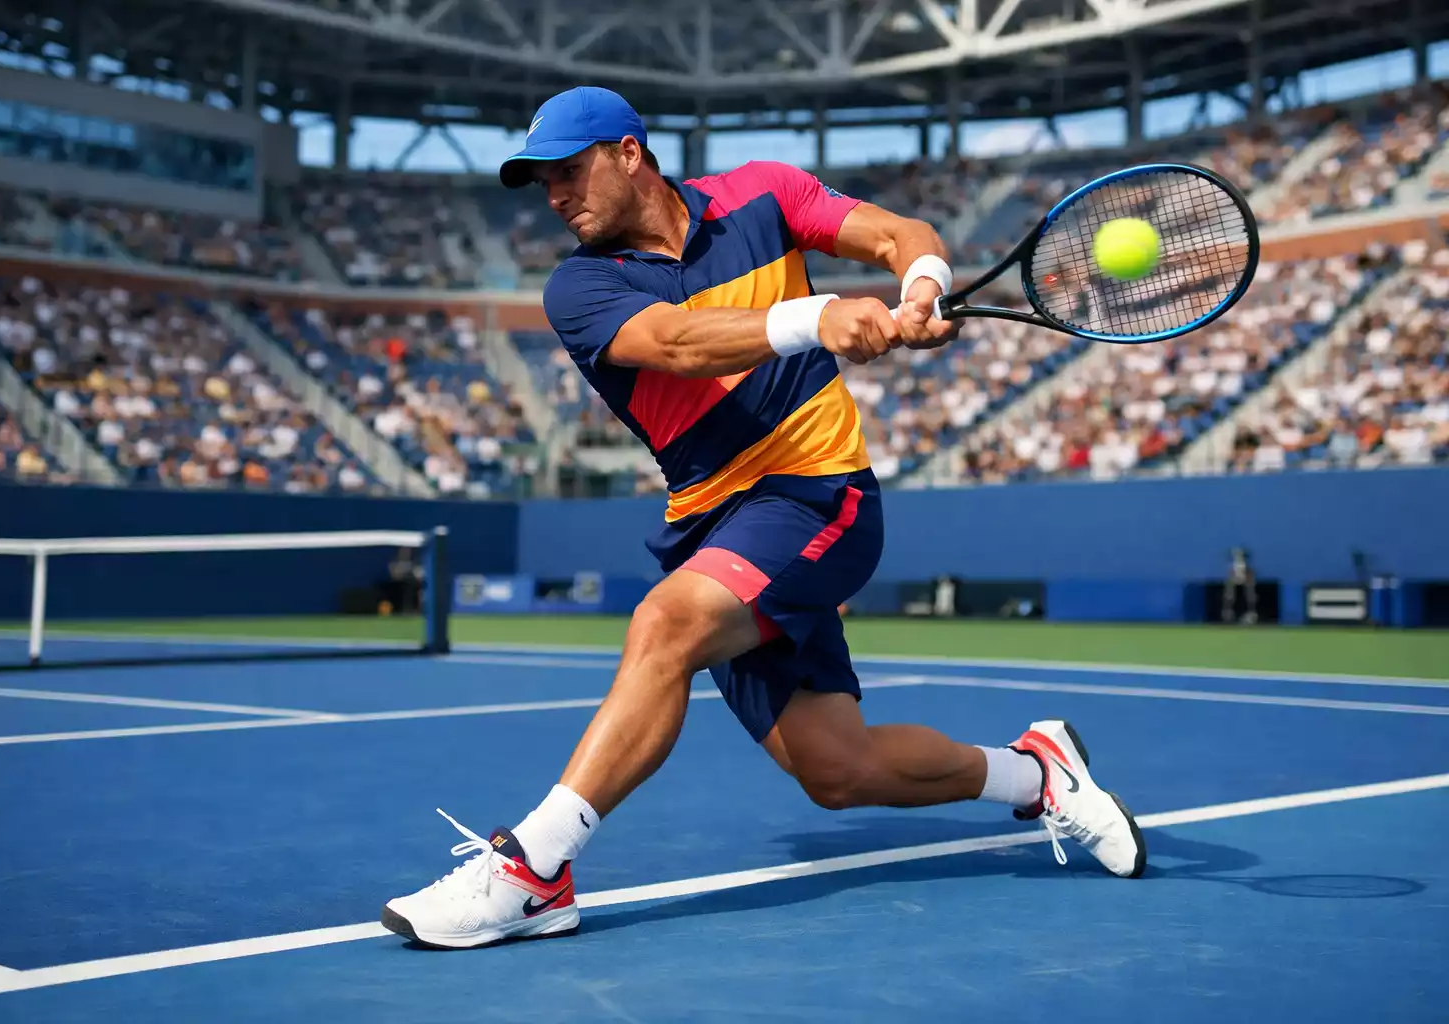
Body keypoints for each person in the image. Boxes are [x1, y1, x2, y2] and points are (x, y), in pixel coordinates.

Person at [383, 87, 1146, 949]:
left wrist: (922, 286)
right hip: (714, 526)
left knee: (665, 626)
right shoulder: (580, 287)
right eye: (542, 183)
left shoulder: (765, 192)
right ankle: (1033, 772)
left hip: (819, 495)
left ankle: (533, 872)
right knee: (837, 770)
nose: (555, 196)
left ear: (629, 153)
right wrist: (818, 316)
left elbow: (902, 237)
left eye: (568, 171)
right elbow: (676, 343)